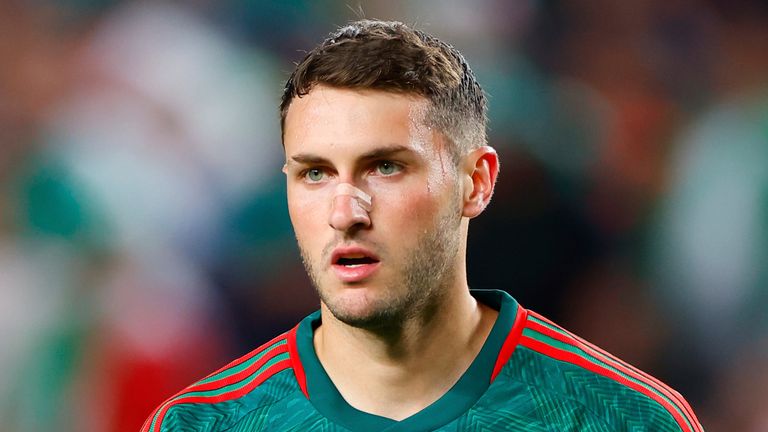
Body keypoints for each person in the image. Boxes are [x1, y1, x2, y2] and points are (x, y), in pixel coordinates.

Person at [142, 19, 703, 432]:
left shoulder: (624, 419)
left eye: (386, 167)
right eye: (315, 173)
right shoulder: (204, 424)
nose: (346, 212)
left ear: (477, 182)